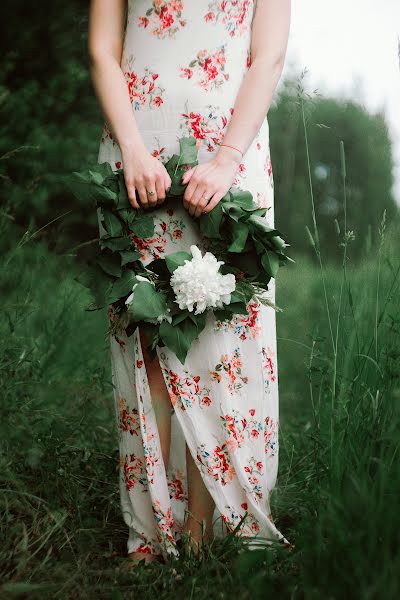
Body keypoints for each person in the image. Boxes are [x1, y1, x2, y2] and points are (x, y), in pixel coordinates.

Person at [88, 0, 292, 565]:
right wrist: (131, 149)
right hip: (136, 142)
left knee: (215, 337)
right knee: (144, 331)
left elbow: (267, 54)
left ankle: (204, 530)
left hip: (228, 146)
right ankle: (151, 532)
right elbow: (103, 49)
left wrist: (226, 160)